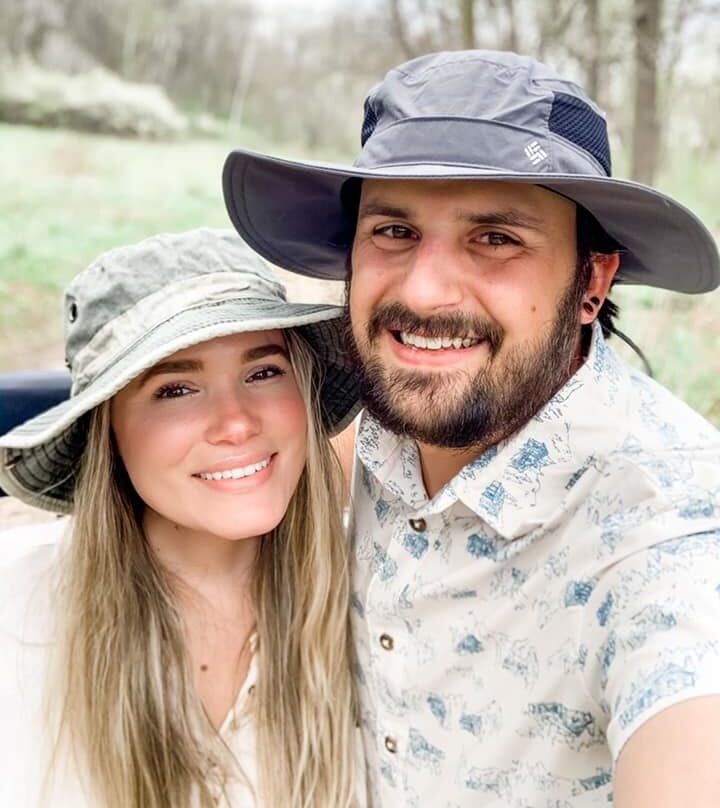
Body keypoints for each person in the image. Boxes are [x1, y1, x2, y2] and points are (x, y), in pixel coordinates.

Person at [222, 50, 720, 808]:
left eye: (495, 238)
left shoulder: (671, 530)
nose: (423, 290)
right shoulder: (366, 421)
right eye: (393, 230)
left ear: (591, 281)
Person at [0, 228, 363, 808]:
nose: (236, 423)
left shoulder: (383, 596)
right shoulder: (16, 611)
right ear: (107, 432)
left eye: (264, 371)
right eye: (175, 389)